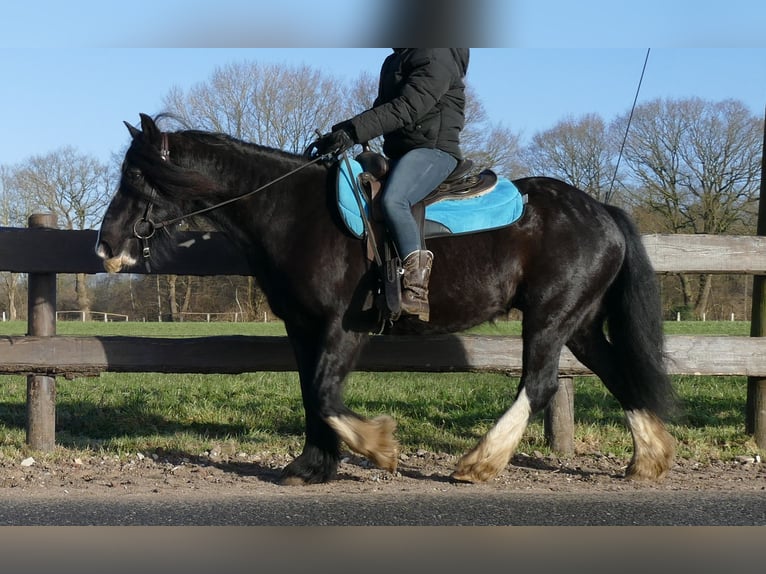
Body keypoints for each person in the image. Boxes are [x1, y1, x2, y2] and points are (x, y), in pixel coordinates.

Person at [310, 48, 470, 322]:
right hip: (401, 153)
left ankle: (416, 289)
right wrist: (341, 132)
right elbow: (382, 109)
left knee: (394, 200)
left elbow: (408, 107)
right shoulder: (394, 60)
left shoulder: (436, 54)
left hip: (434, 151)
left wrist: (353, 131)